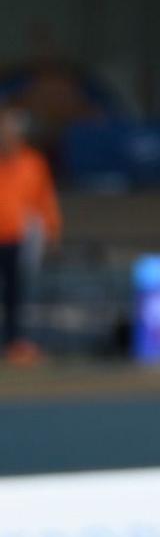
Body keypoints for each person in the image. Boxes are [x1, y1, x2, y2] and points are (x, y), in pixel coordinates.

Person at [0, 106, 61, 366]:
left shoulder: (33, 163)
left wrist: (51, 230)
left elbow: (44, 200)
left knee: (15, 295)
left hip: (16, 238)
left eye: (9, 130)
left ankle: (15, 344)